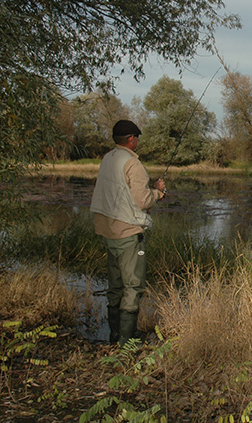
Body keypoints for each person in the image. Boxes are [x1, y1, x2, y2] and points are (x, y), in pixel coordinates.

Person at [90, 120, 166, 345]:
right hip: (128, 232)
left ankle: (114, 335)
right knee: (133, 286)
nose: (138, 142)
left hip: (107, 230)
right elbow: (142, 201)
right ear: (131, 139)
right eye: (137, 138)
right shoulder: (133, 164)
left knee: (115, 285)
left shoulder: (107, 158)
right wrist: (159, 192)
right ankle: (126, 340)